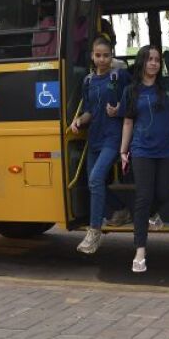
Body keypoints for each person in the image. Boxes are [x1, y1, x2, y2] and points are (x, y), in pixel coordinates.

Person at [118, 45, 169, 273]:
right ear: (142, 62)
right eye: (149, 59)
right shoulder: (131, 90)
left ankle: (149, 214)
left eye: (157, 60)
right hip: (141, 149)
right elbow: (128, 122)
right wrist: (123, 151)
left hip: (168, 148)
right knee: (143, 196)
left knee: (162, 193)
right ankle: (140, 252)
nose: (154, 63)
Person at [70, 35, 132, 254]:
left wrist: (119, 111)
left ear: (111, 55)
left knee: (96, 178)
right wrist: (79, 121)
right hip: (94, 136)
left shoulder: (120, 76)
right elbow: (89, 111)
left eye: (106, 55)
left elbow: (133, 102)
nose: (102, 60)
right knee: (92, 182)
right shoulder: (88, 81)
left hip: (114, 135)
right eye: (98, 55)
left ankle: (94, 232)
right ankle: (120, 209)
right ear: (92, 56)